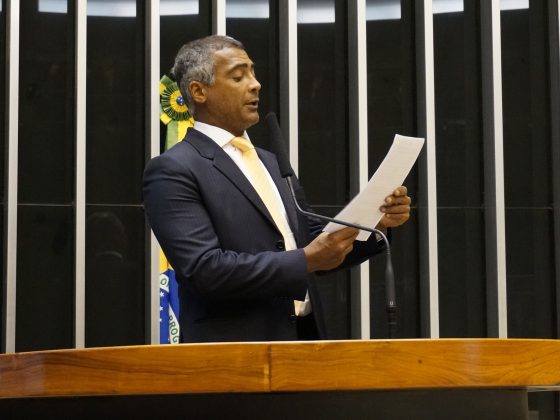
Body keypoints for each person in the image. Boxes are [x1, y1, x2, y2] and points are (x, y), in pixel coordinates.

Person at [143, 35, 411, 343]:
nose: (255, 84)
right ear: (199, 91)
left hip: (305, 338)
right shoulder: (174, 169)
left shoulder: (269, 161)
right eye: (238, 76)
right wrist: (306, 259)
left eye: (253, 73)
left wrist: (375, 224)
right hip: (234, 350)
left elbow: (310, 240)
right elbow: (205, 270)